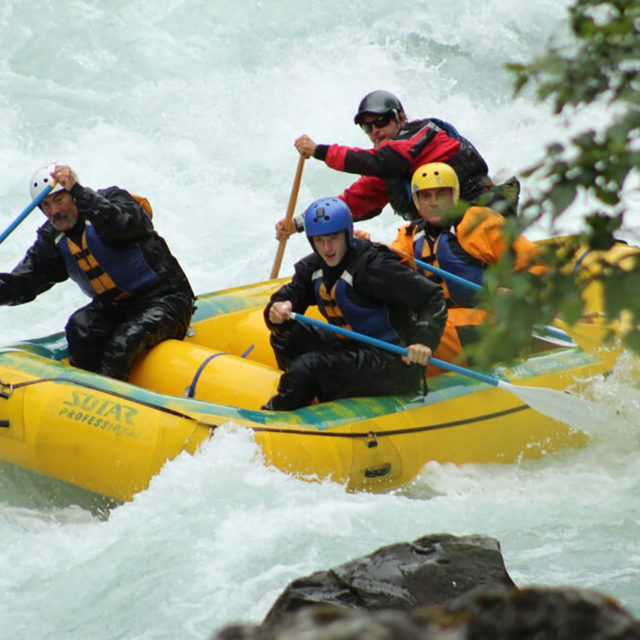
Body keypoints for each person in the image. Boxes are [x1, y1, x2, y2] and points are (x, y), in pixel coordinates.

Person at [0, 164, 195, 381]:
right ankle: (85, 395)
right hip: (116, 307)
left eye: (59, 200)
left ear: (73, 195)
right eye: (46, 205)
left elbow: (123, 226)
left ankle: (114, 399)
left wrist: (78, 191)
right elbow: (23, 283)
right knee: (80, 327)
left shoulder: (112, 201)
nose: (54, 211)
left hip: (166, 298)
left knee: (122, 343)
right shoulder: (52, 238)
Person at [263, 196, 447, 411]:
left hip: (392, 361)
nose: (327, 248)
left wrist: (423, 340)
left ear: (347, 235)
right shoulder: (313, 268)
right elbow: (286, 298)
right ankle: (306, 392)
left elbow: (432, 297)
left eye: (333, 238)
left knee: (309, 367)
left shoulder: (375, 267)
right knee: (284, 335)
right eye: (319, 241)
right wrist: (275, 313)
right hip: (350, 348)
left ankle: (278, 412)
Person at [277, 90, 517, 239]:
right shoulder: (387, 168)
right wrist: (298, 223)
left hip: (485, 221)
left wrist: (319, 151)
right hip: (442, 240)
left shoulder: (423, 133)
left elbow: (385, 160)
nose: (375, 131)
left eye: (381, 121)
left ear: (400, 119)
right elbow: (352, 202)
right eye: (367, 127)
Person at [391, 162, 545, 368]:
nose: (433, 202)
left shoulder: (481, 223)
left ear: (454, 196)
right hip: (447, 319)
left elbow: (535, 263)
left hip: (495, 320)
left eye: (441, 195)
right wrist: (360, 245)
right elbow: (388, 262)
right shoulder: (410, 235)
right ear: (417, 201)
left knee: (427, 333)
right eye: (426, 196)